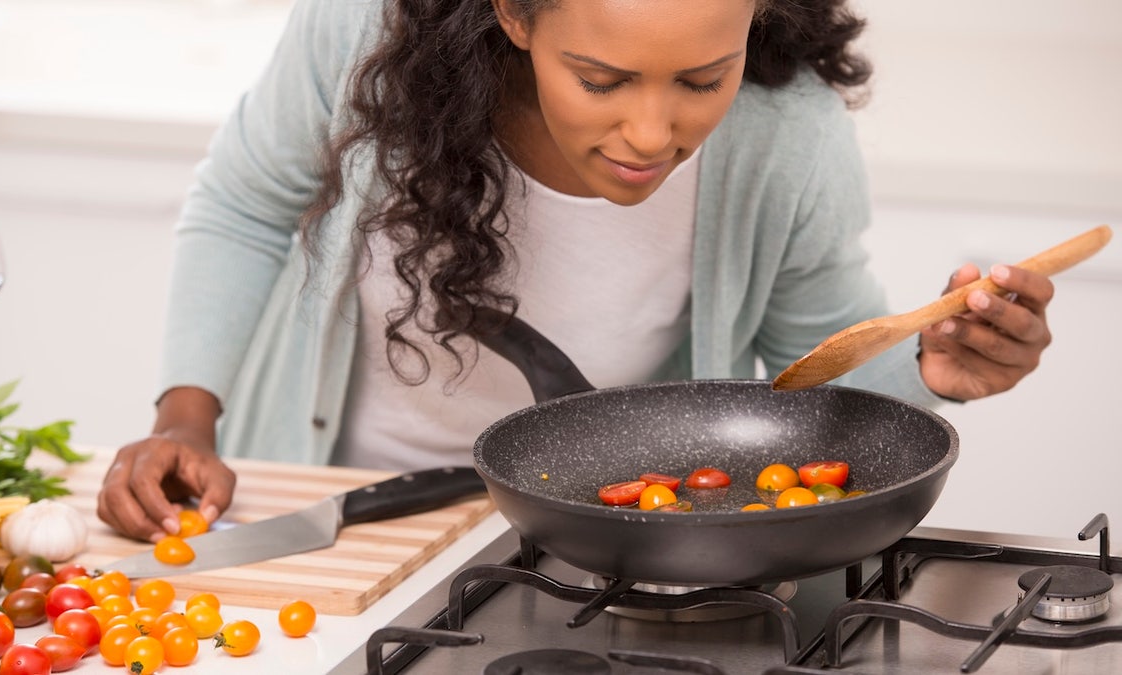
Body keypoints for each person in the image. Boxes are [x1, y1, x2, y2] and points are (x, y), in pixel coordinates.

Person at [98, 0, 1055, 542]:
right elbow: (243, 204)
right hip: (339, 510)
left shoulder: (788, 132)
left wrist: (933, 370)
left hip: (588, 544)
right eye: (600, 80)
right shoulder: (362, 34)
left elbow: (823, 366)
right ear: (514, 14)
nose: (650, 134)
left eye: (700, 80)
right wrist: (186, 416)